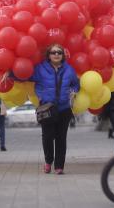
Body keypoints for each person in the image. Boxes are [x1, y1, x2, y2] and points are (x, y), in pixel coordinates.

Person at [30, 44, 79, 175]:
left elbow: (75, 83)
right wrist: (9, 73)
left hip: (64, 109)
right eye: (53, 52)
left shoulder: (69, 69)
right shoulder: (40, 69)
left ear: (63, 55)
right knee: (47, 137)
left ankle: (59, 166)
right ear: (48, 55)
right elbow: (24, 75)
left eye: (59, 52)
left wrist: (74, 91)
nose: (56, 55)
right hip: (47, 109)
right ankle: (48, 161)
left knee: (61, 138)